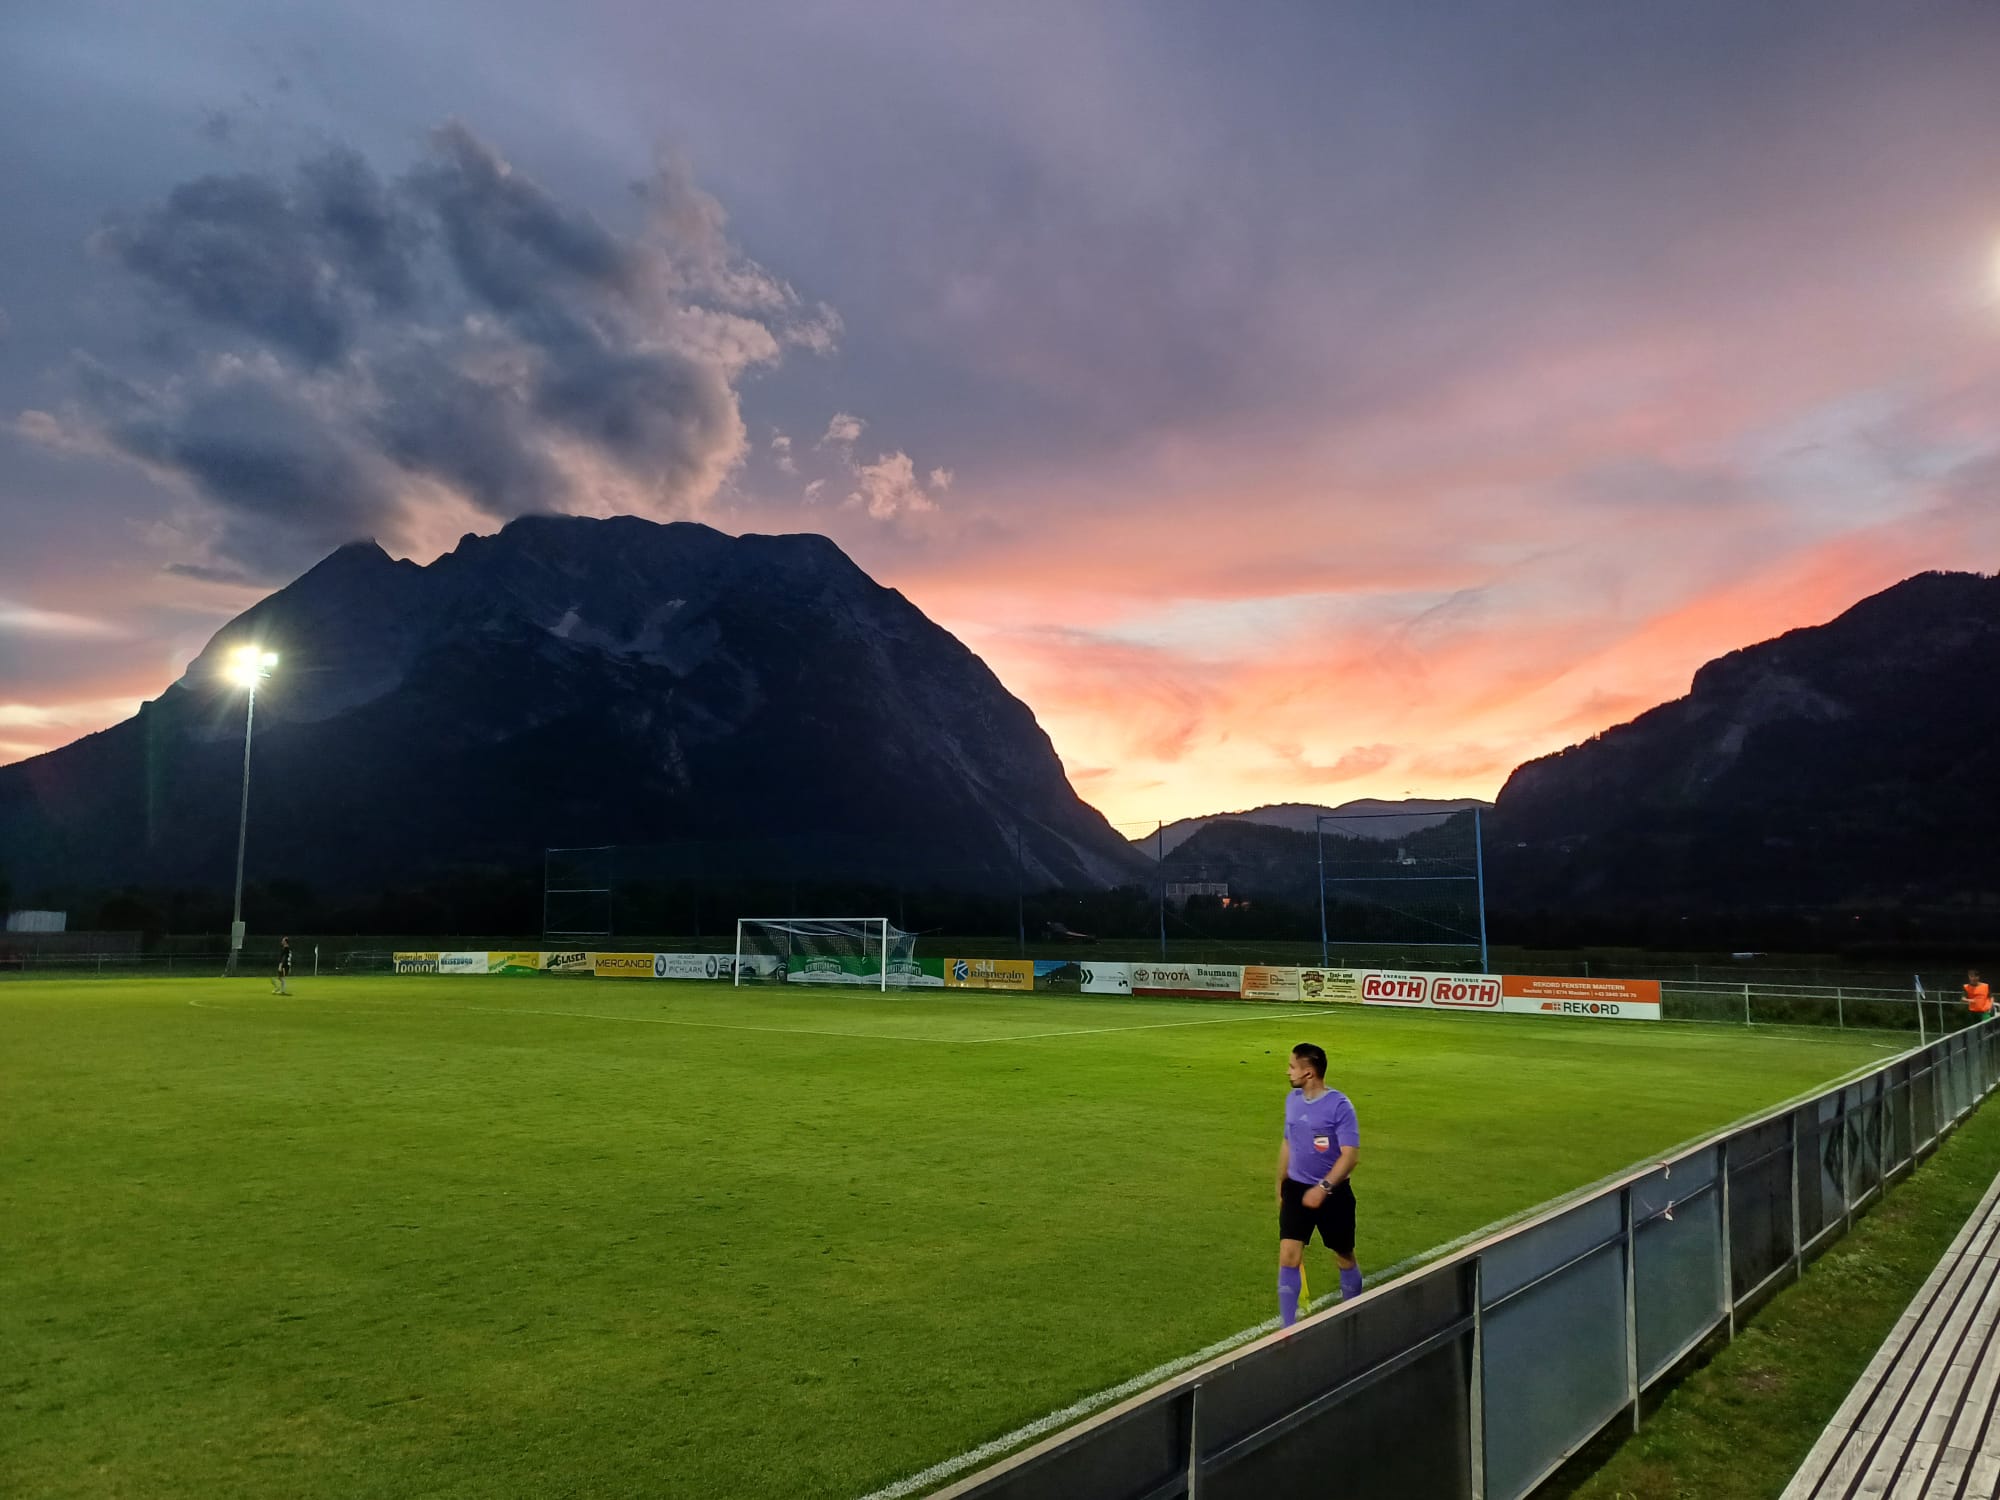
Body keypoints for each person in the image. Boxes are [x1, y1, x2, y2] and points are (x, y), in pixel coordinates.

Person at [1275, 1042, 1362, 1329]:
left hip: (1333, 1195)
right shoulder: (1292, 1100)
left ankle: (1352, 1313)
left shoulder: (1340, 1106)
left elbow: (1350, 1156)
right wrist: (1280, 1182)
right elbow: (1288, 1142)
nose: (1288, 1072)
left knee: (1344, 1255)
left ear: (1308, 1072)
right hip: (1297, 1189)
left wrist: (1323, 1188)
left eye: (1292, 1066)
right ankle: (1286, 1330)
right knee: (1288, 1255)